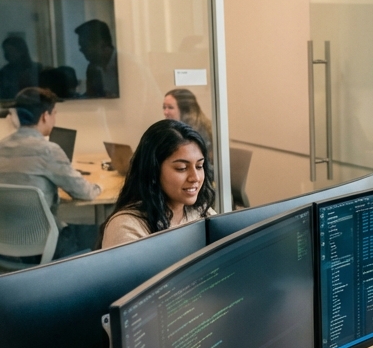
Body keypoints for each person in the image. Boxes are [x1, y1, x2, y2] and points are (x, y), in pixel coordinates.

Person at [0, 87, 100, 259]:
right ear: (45, 116)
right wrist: (99, 186)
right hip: (43, 246)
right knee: (99, 231)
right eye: (54, 113)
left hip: (5, 246)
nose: (54, 119)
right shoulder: (48, 151)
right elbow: (84, 192)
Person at [100, 119, 215, 248]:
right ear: (153, 170)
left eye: (199, 166)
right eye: (181, 168)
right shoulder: (127, 227)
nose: (195, 178)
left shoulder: (200, 212)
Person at [163, 87, 214, 156]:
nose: (165, 112)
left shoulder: (199, 133)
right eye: (164, 107)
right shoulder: (171, 131)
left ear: (185, 110)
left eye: (170, 107)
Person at [75, 19, 118, 98]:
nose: (83, 51)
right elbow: (91, 97)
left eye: (85, 46)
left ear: (102, 43)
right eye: (82, 48)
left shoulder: (123, 64)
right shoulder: (92, 69)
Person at [0, 36, 42, 105]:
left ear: (21, 51)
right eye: (6, 51)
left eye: (11, 51)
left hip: (37, 106)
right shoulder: (4, 73)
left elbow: (44, 94)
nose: (7, 55)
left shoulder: (38, 69)